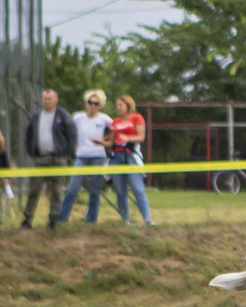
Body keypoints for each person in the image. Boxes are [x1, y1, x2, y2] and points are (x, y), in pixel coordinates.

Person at [20, 87, 75, 229]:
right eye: (45, 98)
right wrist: (31, 152)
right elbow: (28, 135)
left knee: (56, 191)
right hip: (40, 158)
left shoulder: (63, 116)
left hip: (58, 159)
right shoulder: (36, 116)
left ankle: (53, 220)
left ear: (56, 100)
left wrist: (67, 153)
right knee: (34, 189)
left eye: (50, 98)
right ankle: (27, 219)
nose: (47, 101)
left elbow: (72, 135)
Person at [58, 90, 113, 224]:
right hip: (81, 156)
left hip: (98, 156)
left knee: (95, 190)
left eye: (96, 103)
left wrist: (106, 141)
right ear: (86, 103)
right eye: (90, 102)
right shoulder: (77, 117)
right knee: (72, 189)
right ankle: (61, 219)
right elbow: (67, 130)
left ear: (100, 105)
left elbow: (115, 129)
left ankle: (91, 219)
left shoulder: (104, 119)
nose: (93, 106)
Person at [108, 94, 154, 227]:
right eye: (117, 105)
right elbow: (111, 140)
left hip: (130, 155)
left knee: (137, 188)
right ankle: (125, 221)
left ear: (128, 105)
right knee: (120, 191)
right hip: (116, 157)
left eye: (120, 105)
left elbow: (141, 137)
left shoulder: (137, 118)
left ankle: (147, 219)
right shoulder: (115, 121)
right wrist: (101, 142)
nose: (118, 107)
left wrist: (128, 139)